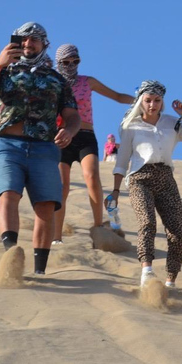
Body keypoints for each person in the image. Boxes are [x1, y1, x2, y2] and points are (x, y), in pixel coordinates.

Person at [0, 22, 80, 275]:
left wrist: (70, 130)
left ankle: (39, 270)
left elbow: (72, 115)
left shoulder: (56, 79)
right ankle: (11, 253)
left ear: (44, 44)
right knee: (8, 194)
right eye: (22, 40)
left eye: (34, 39)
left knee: (45, 205)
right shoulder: (3, 71)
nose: (27, 44)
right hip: (7, 144)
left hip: (44, 147)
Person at [110, 80, 182, 289]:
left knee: (177, 232)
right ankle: (147, 272)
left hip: (166, 178)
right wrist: (115, 191)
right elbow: (121, 162)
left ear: (162, 102)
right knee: (147, 223)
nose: (152, 105)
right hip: (139, 179)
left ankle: (171, 281)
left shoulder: (172, 122)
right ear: (140, 102)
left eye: (157, 100)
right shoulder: (131, 127)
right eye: (148, 100)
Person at [52, 44, 134, 245]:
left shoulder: (87, 82)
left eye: (75, 61)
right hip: (60, 138)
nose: (71, 65)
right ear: (58, 63)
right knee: (62, 187)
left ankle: (98, 228)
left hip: (86, 136)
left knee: (92, 177)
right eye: (66, 62)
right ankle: (56, 237)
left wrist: (141, 101)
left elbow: (116, 96)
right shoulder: (51, 82)